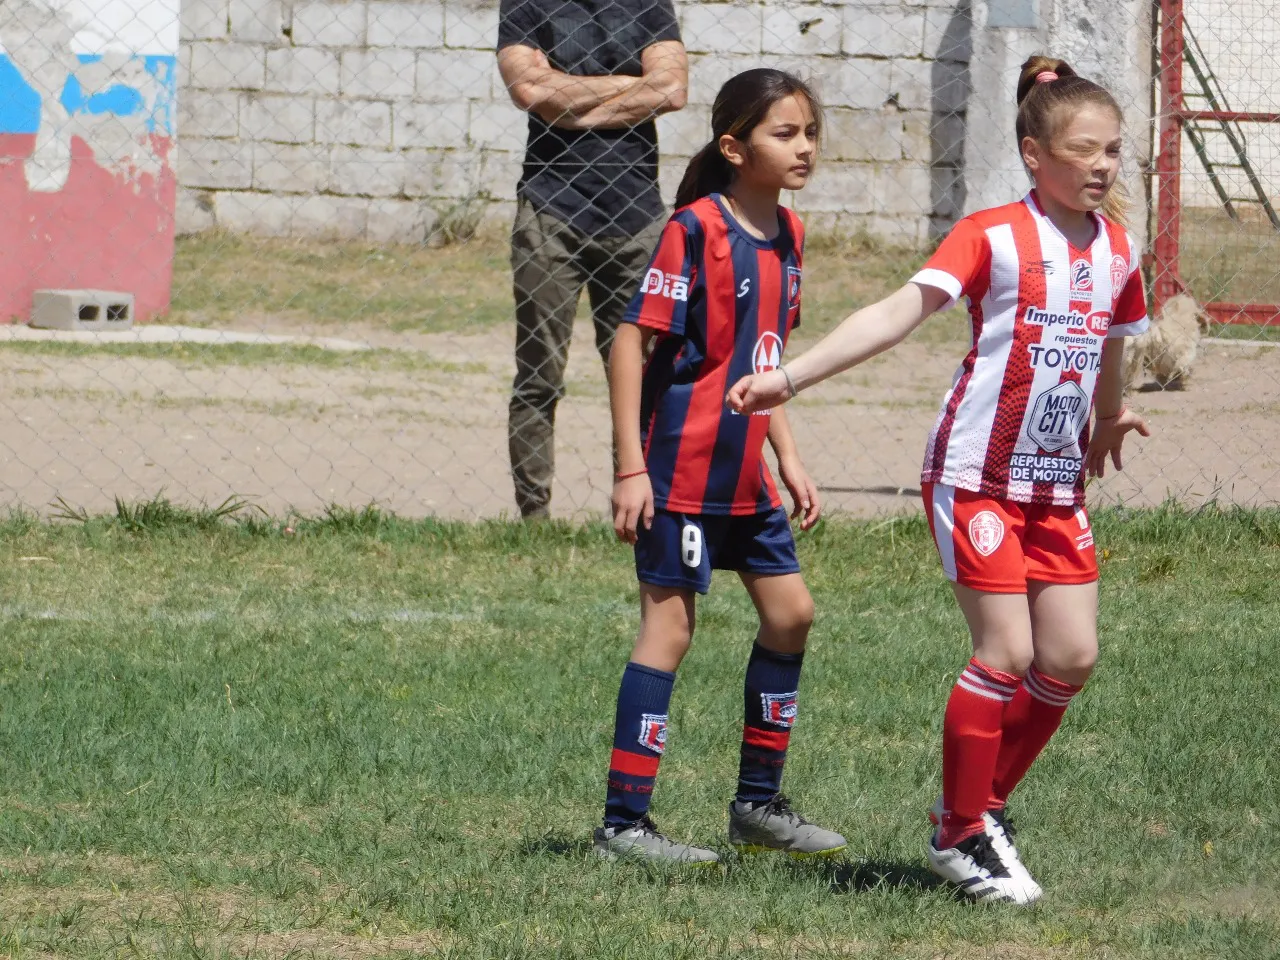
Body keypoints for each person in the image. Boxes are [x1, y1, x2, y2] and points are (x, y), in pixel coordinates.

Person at [727, 56, 1151, 900]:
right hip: (975, 476)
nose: (1103, 166)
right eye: (1085, 150)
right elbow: (894, 314)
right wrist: (792, 377)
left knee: (1069, 656)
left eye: (1114, 151)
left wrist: (1107, 417)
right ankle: (960, 839)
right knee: (1008, 650)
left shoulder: (1117, 248)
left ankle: (978, 809)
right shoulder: (991, 234)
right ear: (1035, 153)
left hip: (1054, 488)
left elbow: (1112, 340)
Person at [592, 68, 848, 865]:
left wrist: (790, 457)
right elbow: (629, 341)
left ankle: (757, 807)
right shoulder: (697, 230)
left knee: (791, 614)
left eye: (809, 132)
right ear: (735, 147)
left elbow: (764, 363)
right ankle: (623, 825)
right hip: (680, 474)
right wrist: (631, 468)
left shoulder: (792, 236)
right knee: (669, 629)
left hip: (746, 480)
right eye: (784, 133)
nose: (803, 147)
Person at [496, 0, 688, 519]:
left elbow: (672, 90)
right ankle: (533, 519)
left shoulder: (649, 4)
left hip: (638, 220)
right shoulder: (526, 4)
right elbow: (530, 92)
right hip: (550, 214)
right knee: (538, 376)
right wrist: (630, 88)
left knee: (642, 376)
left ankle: (638, 510)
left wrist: (571, 103)